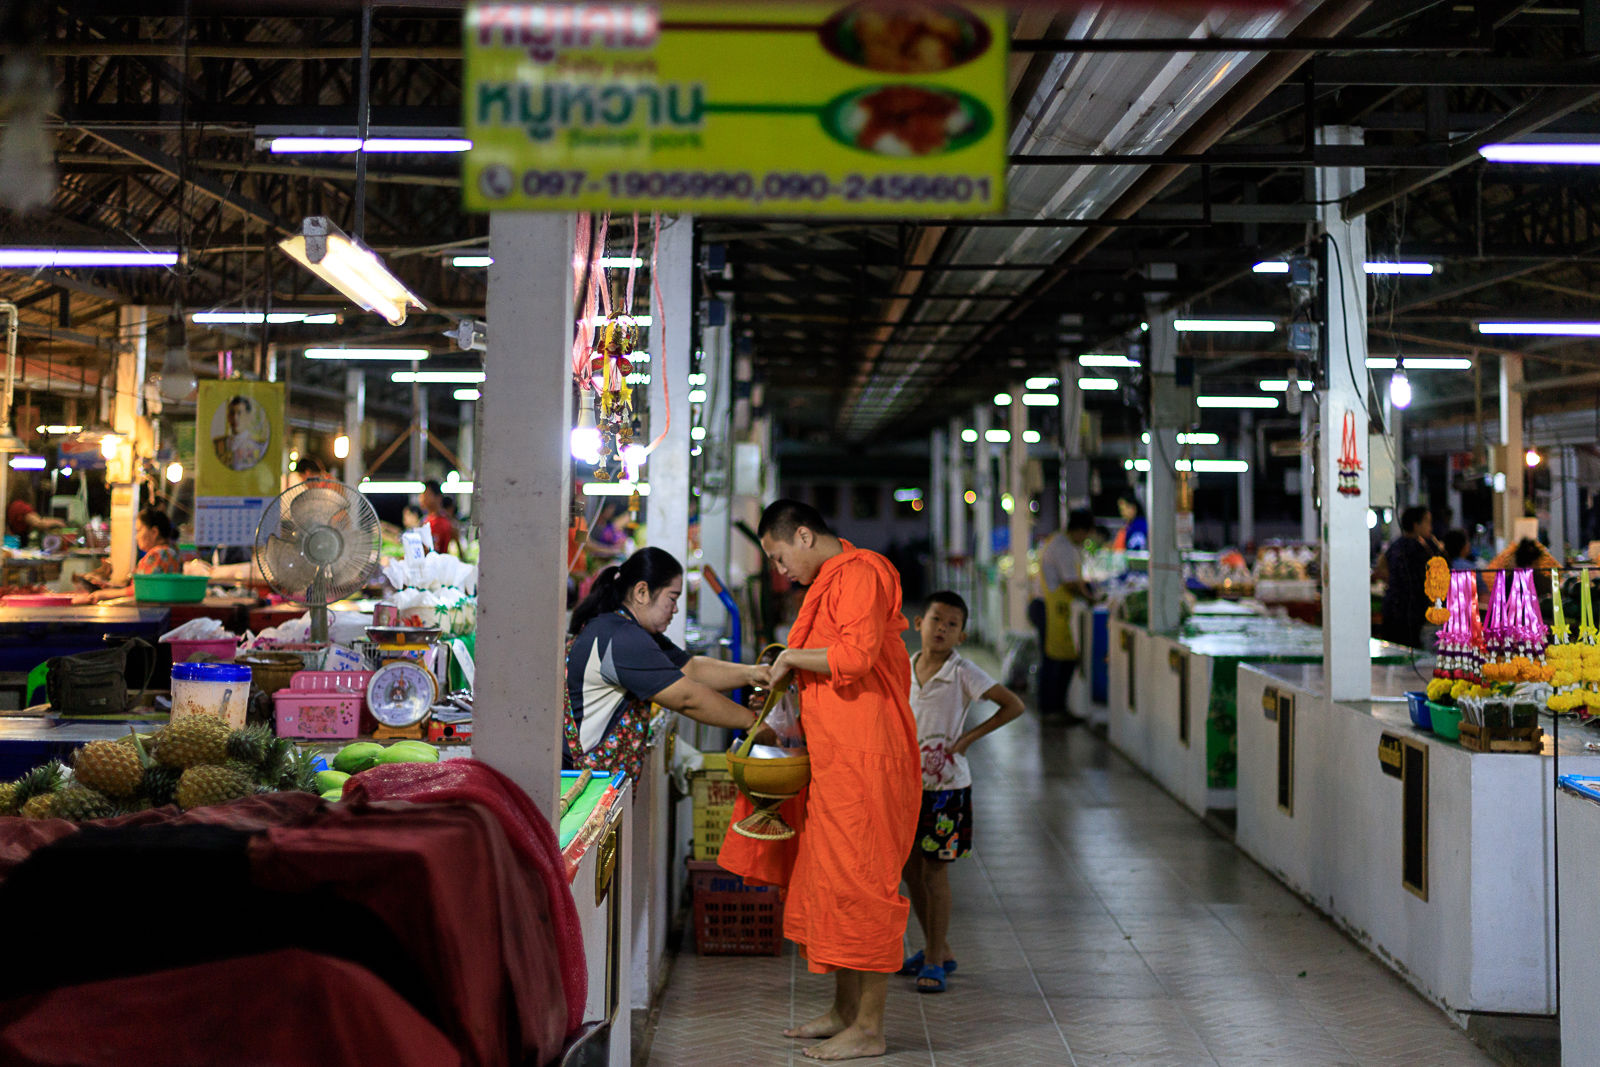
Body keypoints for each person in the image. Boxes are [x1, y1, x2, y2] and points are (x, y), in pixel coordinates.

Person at [721, 499, 920, 1062]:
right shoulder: (831, 581)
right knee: (833, 882)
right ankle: (843, 1010)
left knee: (865, 886)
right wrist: (788, 673)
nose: (779, 569)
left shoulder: (863, 573)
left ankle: (871, 1027)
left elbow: (853, 658)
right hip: (837, 756)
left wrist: (790, 660)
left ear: (804, 536)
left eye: (779, 556)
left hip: (868, 755)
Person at [900, 590, 1024, 995]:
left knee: (935, 872)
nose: (942, 629)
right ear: (919, 623)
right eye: (936, 620)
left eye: (952, 625)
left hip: (946, 790)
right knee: (908, 870)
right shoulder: (904, 667)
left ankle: (934, 960)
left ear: (961, 636)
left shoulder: (963, 672)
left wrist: (969, 738)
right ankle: (940, 948)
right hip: (906, 785)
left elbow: (1013, 706)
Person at [565, 547, 770, 780]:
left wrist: (754, 673)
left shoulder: (626, 629)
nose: (676, 609)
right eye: (672, 598)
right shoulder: (622, 638)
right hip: (581, 782)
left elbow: (692, 669)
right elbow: (687, 698)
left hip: (595, 777)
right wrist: (751, 722)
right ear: (642, 592)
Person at [1036, 508, 1096, 722]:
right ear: (1081, 530)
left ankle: (1055, 708)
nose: (1087, 539)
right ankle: (1052, 710)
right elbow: (1071, 583)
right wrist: (1091, 598)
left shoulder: (1060, 542)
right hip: (1048, 608)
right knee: (1056, 660)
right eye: (1087, 534)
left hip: (1052, 607)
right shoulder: (1063, 547)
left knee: (1058, 659)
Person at [74, 508, 182, 604]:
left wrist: (105, 594)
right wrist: (111, 588)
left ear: (154, 532)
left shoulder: (159, 554)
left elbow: (142, 590)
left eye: (139, 530)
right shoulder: (171, 552)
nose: (136, 536)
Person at [1377, 506, 1443, 648]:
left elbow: (1381, 568)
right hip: (1412, 613)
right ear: (1416, 525)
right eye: (1427, 522)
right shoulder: (1421, 548)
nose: (1430, 527)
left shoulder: (1395, 545)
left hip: (1392, 609)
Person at [212, 394, 267, 471]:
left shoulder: (258, 445)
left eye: (239, 413)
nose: (235, 417)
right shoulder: (218, 445)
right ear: (228, 417)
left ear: (248, 417)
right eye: (232, 413)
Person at [418, 480, 457, 555]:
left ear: (438, 497)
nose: (422, 498)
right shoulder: (426, 520)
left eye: (426, 494)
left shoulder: (443, 522)